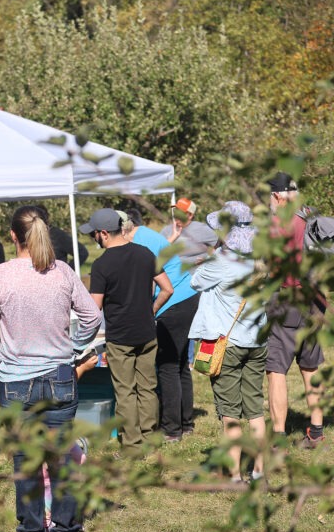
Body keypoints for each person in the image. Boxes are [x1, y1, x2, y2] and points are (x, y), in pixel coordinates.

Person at [0, 206, 102, 532]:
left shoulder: (0, 275)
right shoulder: (62, 271)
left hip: (15, 377)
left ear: (13, 236)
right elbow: (92, 317)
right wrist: (73, 347)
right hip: (59, 374)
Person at [81, 208, 173, 454]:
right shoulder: (145, 254)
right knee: (147, 388)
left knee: (125, 392)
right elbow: (167, 289)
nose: (94, 239)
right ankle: (150, 440)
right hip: (146, 332)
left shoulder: (101, 265)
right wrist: (150, 310)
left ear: (103, 234)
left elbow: (95, 308)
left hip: (120, 337)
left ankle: (132, 446)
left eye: (93, 235)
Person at [188, 201, 267, 482]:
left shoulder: (221, 262)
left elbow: (195, 282)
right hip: (257, 342)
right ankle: (258, 470)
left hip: (228, 344)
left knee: (230, 413)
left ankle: (235, 476)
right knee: (255, 410)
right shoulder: (262, 260)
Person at [122, 207, 205, 442]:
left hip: (174, 302)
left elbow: (150, 278)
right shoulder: (147, 234)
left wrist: (148, 310)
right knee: (179, 364)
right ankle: (185, 423)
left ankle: (171, 429)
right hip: (189, 296)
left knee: (167, 366)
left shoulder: (138, 241)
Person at [265, 172, 326, 448]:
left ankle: (278, 436)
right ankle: (316, 431)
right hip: (315, 301)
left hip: (288, 299)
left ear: (277, 195)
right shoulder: (310, 217)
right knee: (310, 367)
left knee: (276, 368)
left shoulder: (279, 222)